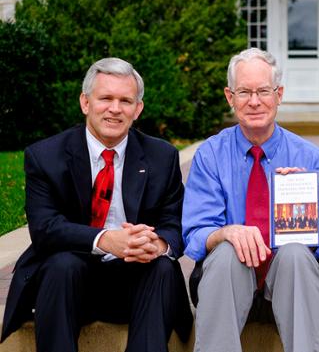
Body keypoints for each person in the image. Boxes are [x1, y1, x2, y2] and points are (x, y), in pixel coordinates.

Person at [0, 58, 193, 351]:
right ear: (85, 103)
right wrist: (106, 240)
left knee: (161, 269)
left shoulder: (161, 156)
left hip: (136, 280)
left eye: (125, 100)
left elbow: (175, 222)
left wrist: (158, 245)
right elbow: (45, 229)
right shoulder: (45, 156)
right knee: (61, 264)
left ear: (137, 109)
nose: (115, 109)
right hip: (70, 281)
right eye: (106, 98)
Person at [182, 47, 319, 352]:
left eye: (263, 91)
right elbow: (194, 235)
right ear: (230, 97)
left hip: (291, 287)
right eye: (244, 92)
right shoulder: (211, 154)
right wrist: (227, 233)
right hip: (224, 285)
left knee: (296, 253)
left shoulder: (309, 157)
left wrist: (299, 213)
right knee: (228, 250)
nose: (254, 101)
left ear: (279, 94)